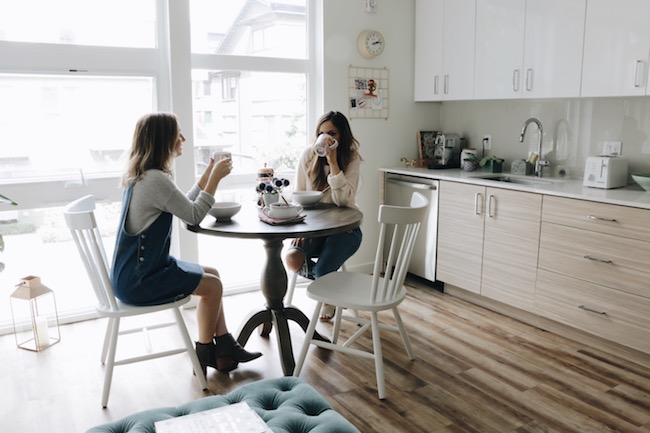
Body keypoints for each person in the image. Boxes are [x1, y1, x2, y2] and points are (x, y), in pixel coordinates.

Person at [111, 112, 261, 374]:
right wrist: (215, 180)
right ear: (163, 140)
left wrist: (206, 176)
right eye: (177, 134)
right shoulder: (155, 179)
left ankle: (224, 345)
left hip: (134, 273)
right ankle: (203, 354)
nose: (183, 139)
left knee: (212, 274)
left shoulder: (145, 176)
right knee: (213, 286)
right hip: (141, 280)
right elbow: (193, 214)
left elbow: (182, 205)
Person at [284, 111, 363, 321]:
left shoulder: (352, 158)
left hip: (345, 230)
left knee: (322, 271)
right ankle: (335, 284)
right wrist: (301, 228)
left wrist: (333, 162)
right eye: (321, 133)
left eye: (332, 133)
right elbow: (297, 195)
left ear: (342, 135)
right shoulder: (308, 155)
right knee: (292, 258)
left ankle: (329, 292)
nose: (326, 138)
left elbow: (343, 202)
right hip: (313, 230)